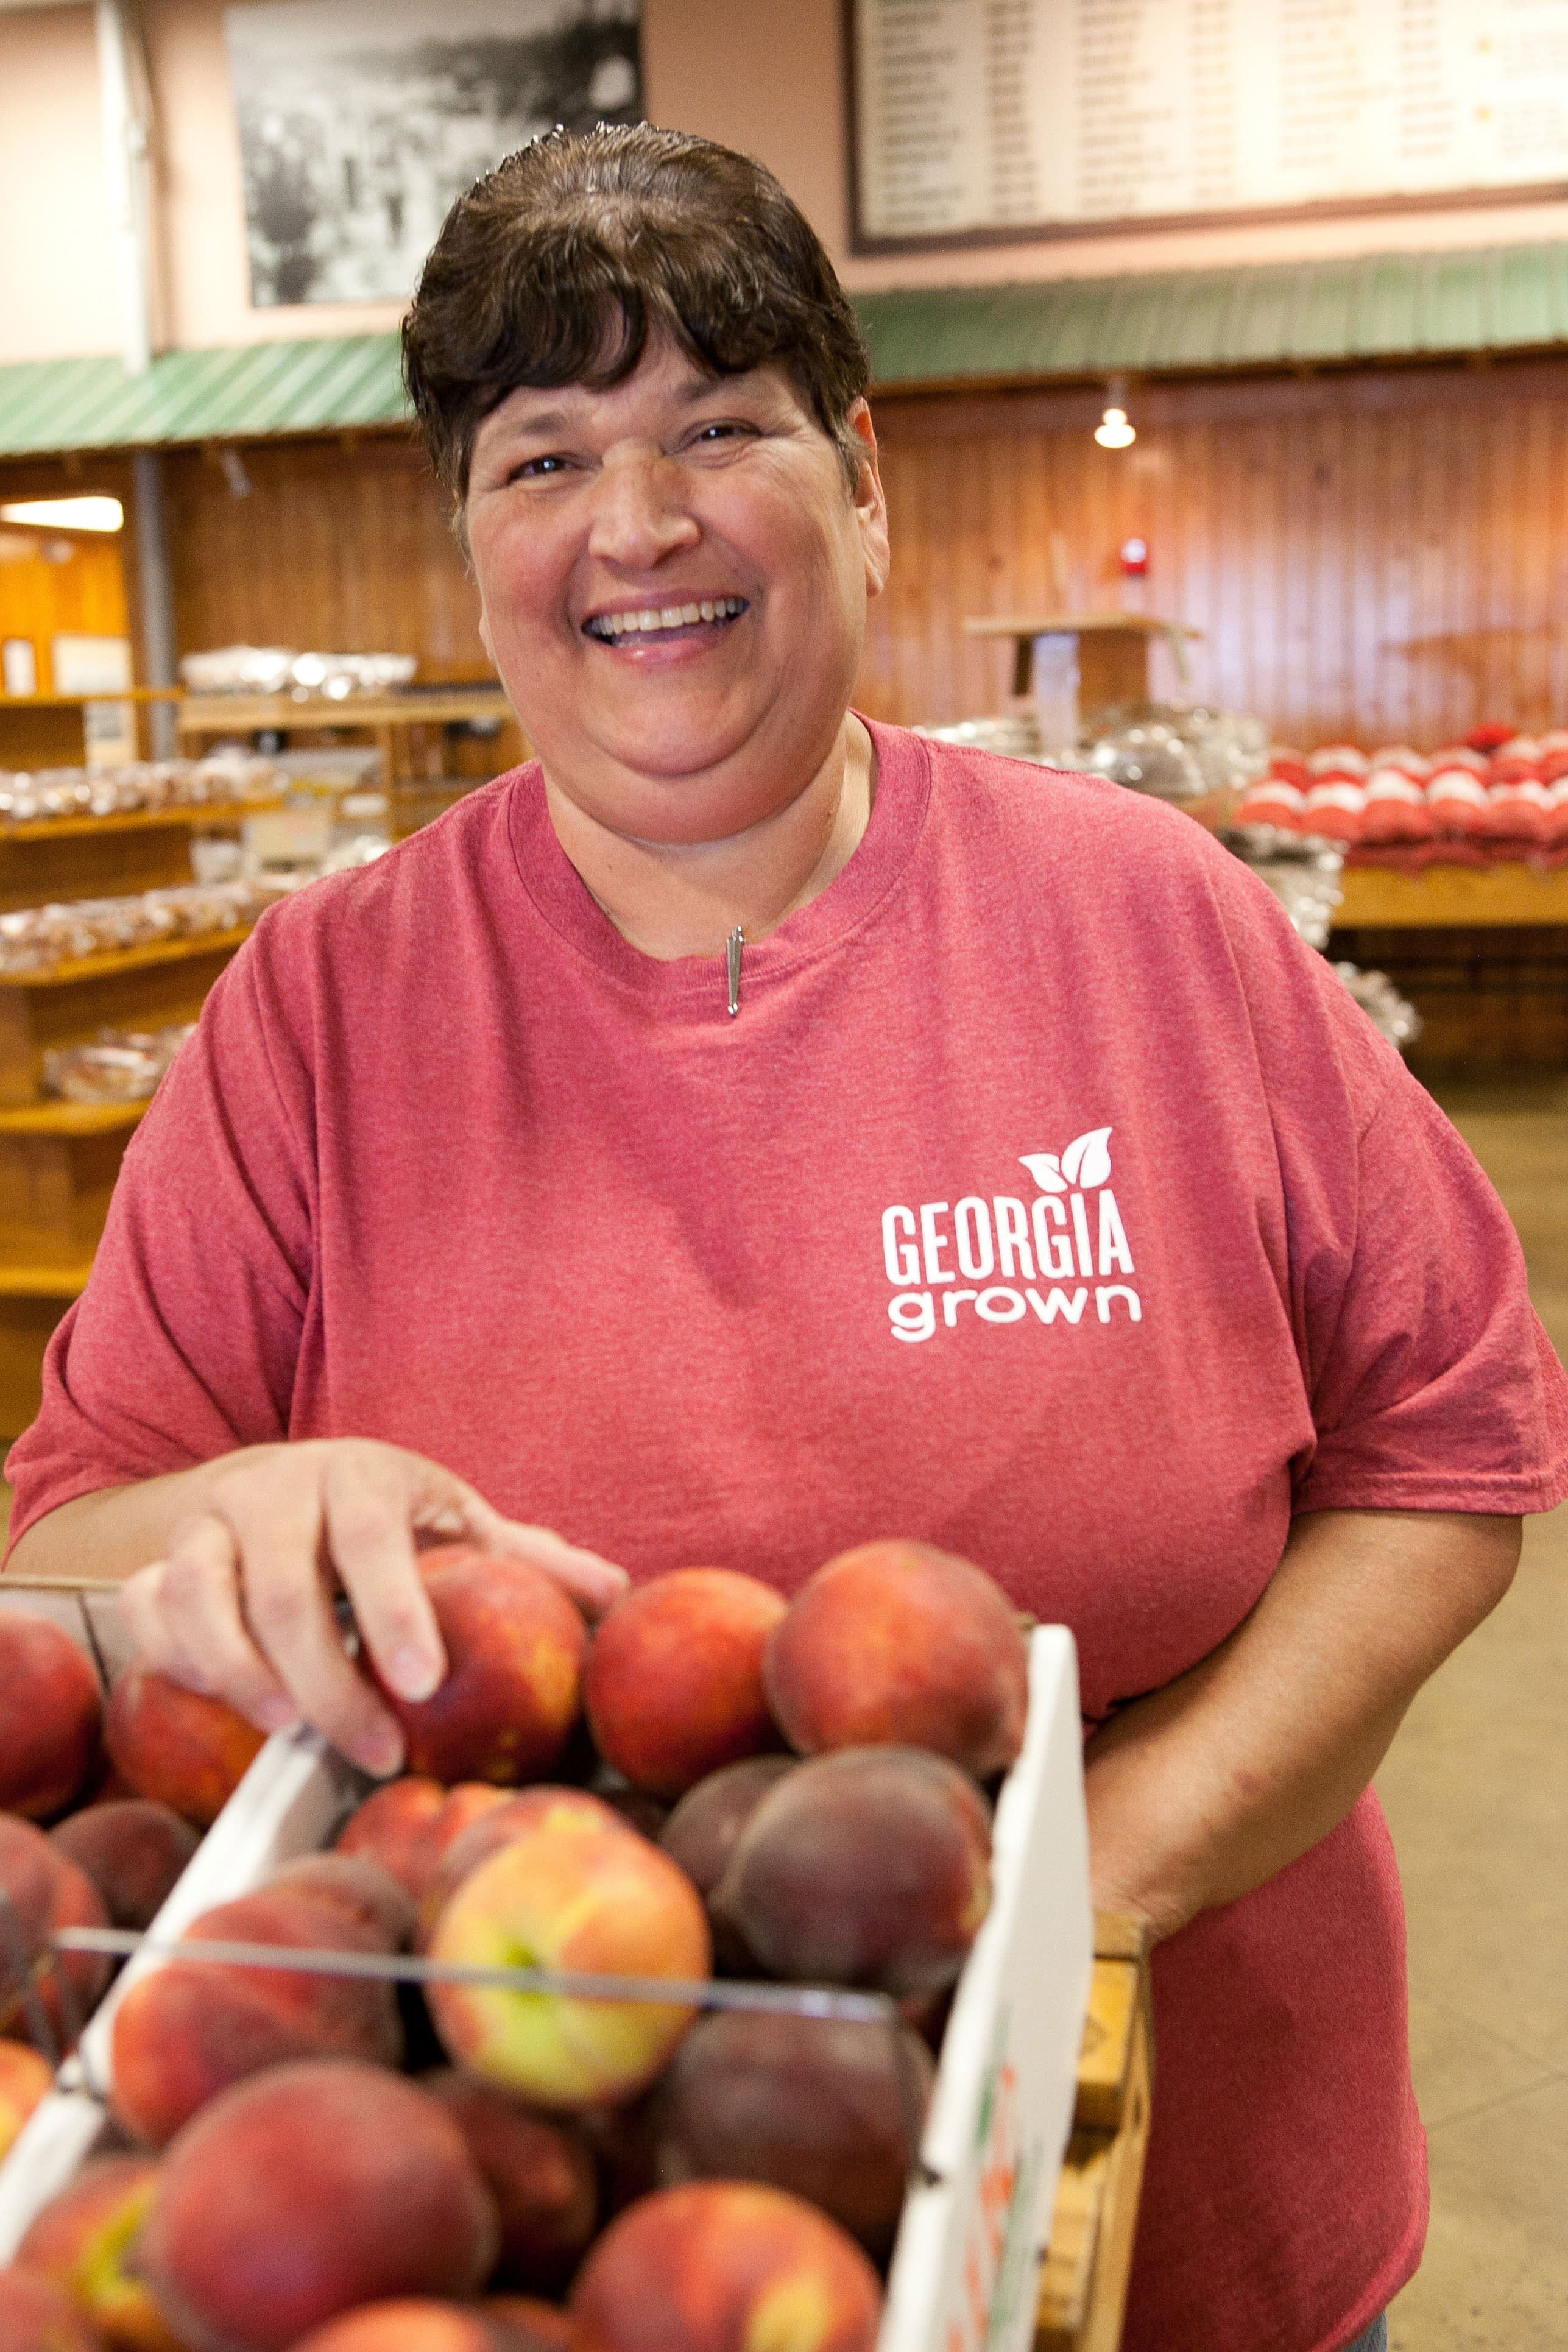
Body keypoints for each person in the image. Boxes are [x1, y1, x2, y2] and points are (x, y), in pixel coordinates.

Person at [6, 127, 1566, 2352]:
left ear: (862, 479)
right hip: (564, 2219)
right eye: (545, 458)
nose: (637, 523)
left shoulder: (1151, 918)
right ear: (473, 544)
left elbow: (1451, 1444)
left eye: (719, 428)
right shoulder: (321, 1011)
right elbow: (72, 1528)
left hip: (1186, 2169)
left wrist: (1090, 1881)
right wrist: (237, 1513)